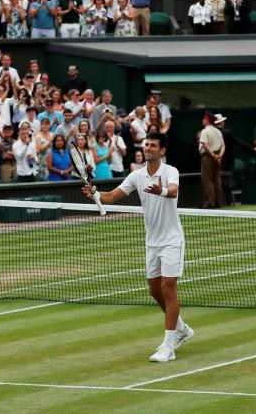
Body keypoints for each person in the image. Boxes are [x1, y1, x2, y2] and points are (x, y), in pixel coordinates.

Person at [84, 133, 192, 363]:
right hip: (151, 242)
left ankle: (168, 345)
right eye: (146, 145)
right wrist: (94, 194)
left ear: (162, 150)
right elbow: (112, 196)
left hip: (172, 240)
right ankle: (182, 329)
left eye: (153, 145)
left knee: (168, 287)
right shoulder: (137, 175)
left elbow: (172, 191)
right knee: (154, 290)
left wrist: (161, 191)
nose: (148, 148)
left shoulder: (170, 171)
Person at [196, 112, 225, 208]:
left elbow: (204, 144)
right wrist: (219, 156)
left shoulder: (205, 131)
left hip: (208, 157)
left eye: (204, 119)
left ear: (207, 120)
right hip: (217, 158)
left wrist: (213, 155)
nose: (202, 120)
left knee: (207, 180)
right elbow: (223, 146)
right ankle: (218, 202)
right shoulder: (218, 131)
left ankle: (210, 202)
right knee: (217, 179)